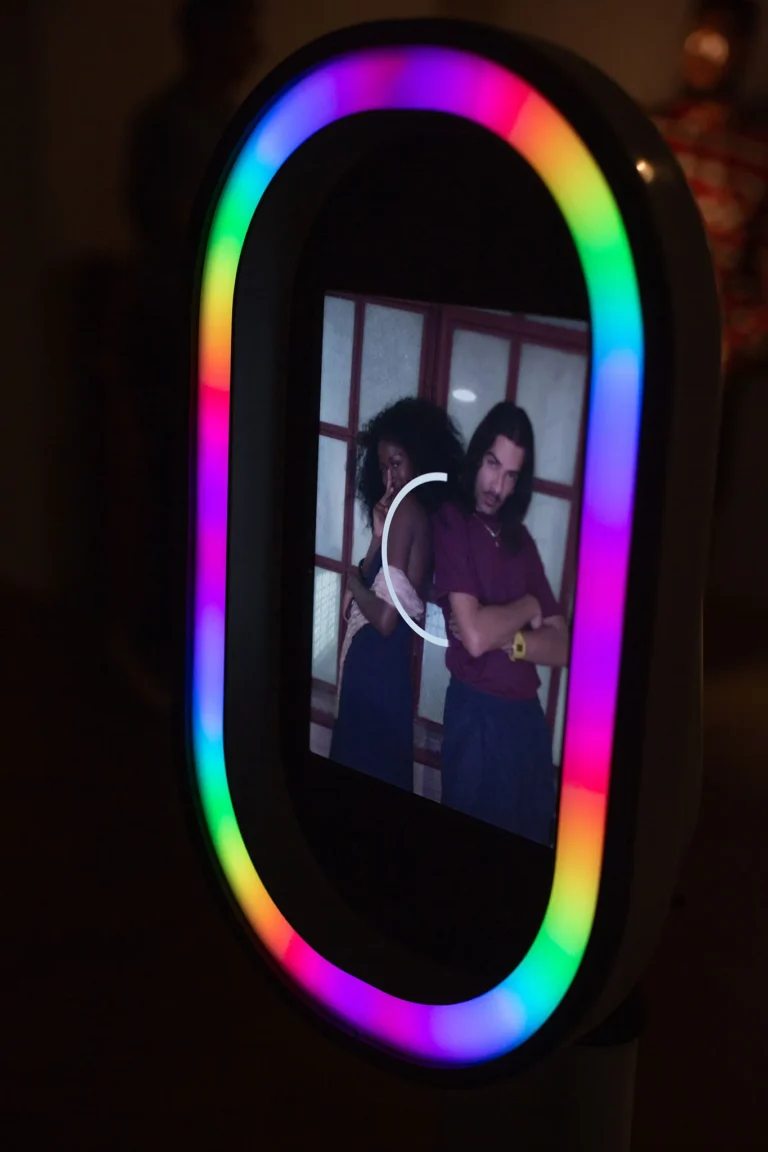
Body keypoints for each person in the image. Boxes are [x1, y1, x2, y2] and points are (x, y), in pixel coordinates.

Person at [124, 0, 260, 691]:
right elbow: (184, 236)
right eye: (243, 25)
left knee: (194, 501)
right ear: (208, 35)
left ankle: (179, 658)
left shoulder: (218, 118)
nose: (257, 40)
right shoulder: (181, 125)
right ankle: (165, 660)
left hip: (193, 336)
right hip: (179, 338)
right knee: (182, 500)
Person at [432, 402, 569, 847]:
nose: (498, 485)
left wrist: (518, 644)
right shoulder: (453, 521)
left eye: (512, 475)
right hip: (476, 715)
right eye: (493, 465)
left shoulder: (520, 541)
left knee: (530, 842)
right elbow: (472, 637)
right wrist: (528, 604)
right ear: (478, 457)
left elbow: (564, 645)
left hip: (526, 719)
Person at [330, 398, 465, 792]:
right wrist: (376, 533)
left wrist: (352, 583)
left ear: (418, 459)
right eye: (383, 465)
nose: (389, 476)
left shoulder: (407, 513)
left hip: (374, 675)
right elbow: (369, 594)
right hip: (382, 676)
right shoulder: (408, 513)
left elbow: (386, 618)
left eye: (397, 463)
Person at [652, 0, 768, 374]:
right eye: (697, 38)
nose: (703, 53)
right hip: (648, 326)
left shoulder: (753, 153)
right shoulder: (653, 131)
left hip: (717, 355)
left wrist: (736, 334)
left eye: (717, 41)